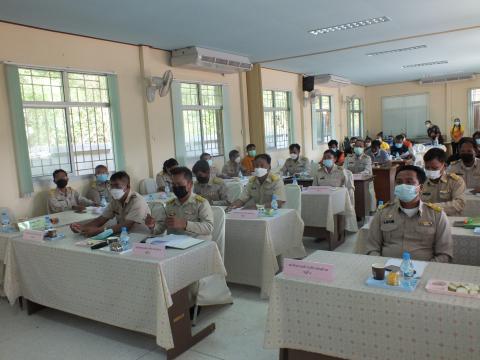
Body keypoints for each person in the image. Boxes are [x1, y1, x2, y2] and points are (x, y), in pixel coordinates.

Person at [365, 165, 453, 262]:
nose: (403, 186)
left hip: (424, 270)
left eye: (409, 182)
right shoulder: (382, 212)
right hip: (387, 270)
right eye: (399, 182)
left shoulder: (437, 215)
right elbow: (372, 248)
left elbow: (444, 254)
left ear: (421, 187)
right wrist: (381, 267)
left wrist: (426, 269)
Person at [70, 171, 151, 236]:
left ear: (127, 186)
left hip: (141, 237)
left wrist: (98, 231)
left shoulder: (137, 201)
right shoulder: (115, 200)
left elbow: (127, 225)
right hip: (124, 236)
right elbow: (101, 219)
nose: (113, 189)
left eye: (117, 185)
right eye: (111, 186)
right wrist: (81, 227)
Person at [146, 167, 214, 240]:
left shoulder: (201, 203)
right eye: (174, 184)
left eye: (179, 184)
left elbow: (209, 227)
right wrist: (152, 225)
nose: (176, 187)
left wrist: (185, 224)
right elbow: (161, 228)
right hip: (174, 245)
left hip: (196, 244)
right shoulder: (170, 204)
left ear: (190, 184)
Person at [420, 148, 465, 216]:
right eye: (427, 167)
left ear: (445, 166)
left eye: (434, 168)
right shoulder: (420, 181)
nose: (430, 170)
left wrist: (431, 207)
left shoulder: (456, 181)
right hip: (426, 219)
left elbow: (459, 204)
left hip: (449, 219)